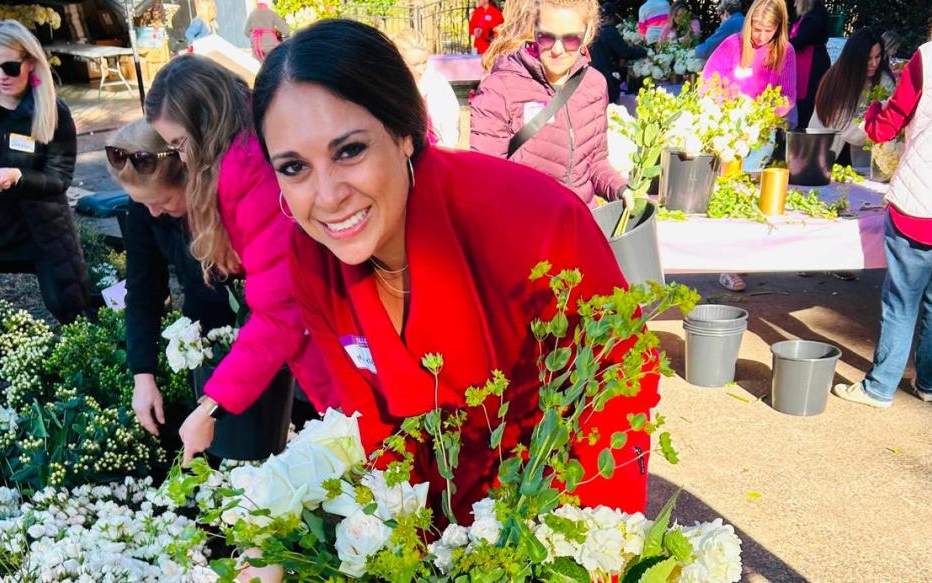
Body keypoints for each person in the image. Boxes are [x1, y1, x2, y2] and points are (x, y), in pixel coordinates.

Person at [253, 19, 659, 518]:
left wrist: (577, 550)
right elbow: (364, 431)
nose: (328, 197)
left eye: (350, 150)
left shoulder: (531, 221)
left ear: (404, 132)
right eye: (294, 167)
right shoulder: (311, 257)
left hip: (547, 517)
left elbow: (618, 386)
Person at [144, 55, 328, 462]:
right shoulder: (251, 149)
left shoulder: (249, 178)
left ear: (202, 126)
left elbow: (282, 311)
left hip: (338, 345)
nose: (182, 159)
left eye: (179, 145)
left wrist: (210, 405)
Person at [833, 0, 932, 408]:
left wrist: (871, 113)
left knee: (902, 298)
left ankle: (880, 386)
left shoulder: (931, 57)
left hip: (923, 200)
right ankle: (929, 383)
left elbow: (887, 125)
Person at [106, 120, 235, 439]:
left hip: (261, 323)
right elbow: (143, 293)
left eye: (161, 202)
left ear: (189, 179)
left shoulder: (233, 202)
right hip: (201, 322)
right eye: (141, 203)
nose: (151, 212)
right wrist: (143, 375)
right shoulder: (143, 210)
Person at [469, 0, 632, 206]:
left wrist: (619, 188)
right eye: (546, 37)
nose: (557, 49)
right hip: (528, 229)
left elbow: (595, 161)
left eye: (571, 39)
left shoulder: (594, 84)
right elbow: (485, 179)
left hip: (580, 225)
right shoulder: (499, 88)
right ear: (533, 28)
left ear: (588, 33)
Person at [0, 20, 89, 325]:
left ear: (31, 63)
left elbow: (60, 178)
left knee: (72, 306)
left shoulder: (51, 111)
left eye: (10, 67)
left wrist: (19, 177)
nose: (0, 77)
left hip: (41, 229)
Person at [702, 0, 796, 292]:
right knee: (730, 197)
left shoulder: (786, 53)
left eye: (768, 30)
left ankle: (745, 258)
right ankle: (728, 266)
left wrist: (764, 113)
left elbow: (789, 97)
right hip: (730, 135)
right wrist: (730, 110)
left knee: (756, 200)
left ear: (778, 29)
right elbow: (708, 84)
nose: (760, 36)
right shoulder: (732, 45)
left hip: (764, 136)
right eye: (756, 28)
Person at [810, 28, 895, 162]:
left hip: (861, 159)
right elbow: (847, 129)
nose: (874, 63)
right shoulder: (837, 81)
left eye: (878, 57)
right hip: (826, 152)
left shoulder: (885, 81)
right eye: (868, 59)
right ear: (855, 59)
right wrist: (880, 129)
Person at [392, 29, 461, 148]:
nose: (421, 70)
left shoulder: (438, 84)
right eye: (415, 64)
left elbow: (451, 129)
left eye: (424, 62)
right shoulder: (389, 89)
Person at [590, 2, 647, 103]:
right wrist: (643, 50)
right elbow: (625, 52)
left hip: (595, 76)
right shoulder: (609, 31)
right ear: (610, 17)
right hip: (607, 77)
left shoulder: (596, 32)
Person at [789, 0, 830, 129]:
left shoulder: (815, 15)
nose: (794, 4)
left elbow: (800, 40)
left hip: (812, 65)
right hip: (802, 63)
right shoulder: (806, 14)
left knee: (806, 104)